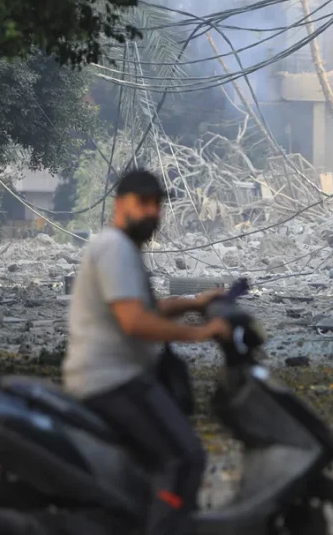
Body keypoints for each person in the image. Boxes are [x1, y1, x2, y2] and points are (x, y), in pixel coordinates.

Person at [62, 169, 230, 535]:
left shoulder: (121, 249)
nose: (152, 212)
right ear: (120, 204)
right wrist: (200, 334)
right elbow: (135, 321)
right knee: (185, 459)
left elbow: (149, 307)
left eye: (157, 204)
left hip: (118, 377)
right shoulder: (114, 248)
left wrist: (198, 303)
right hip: (111, 381)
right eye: (143, 203)